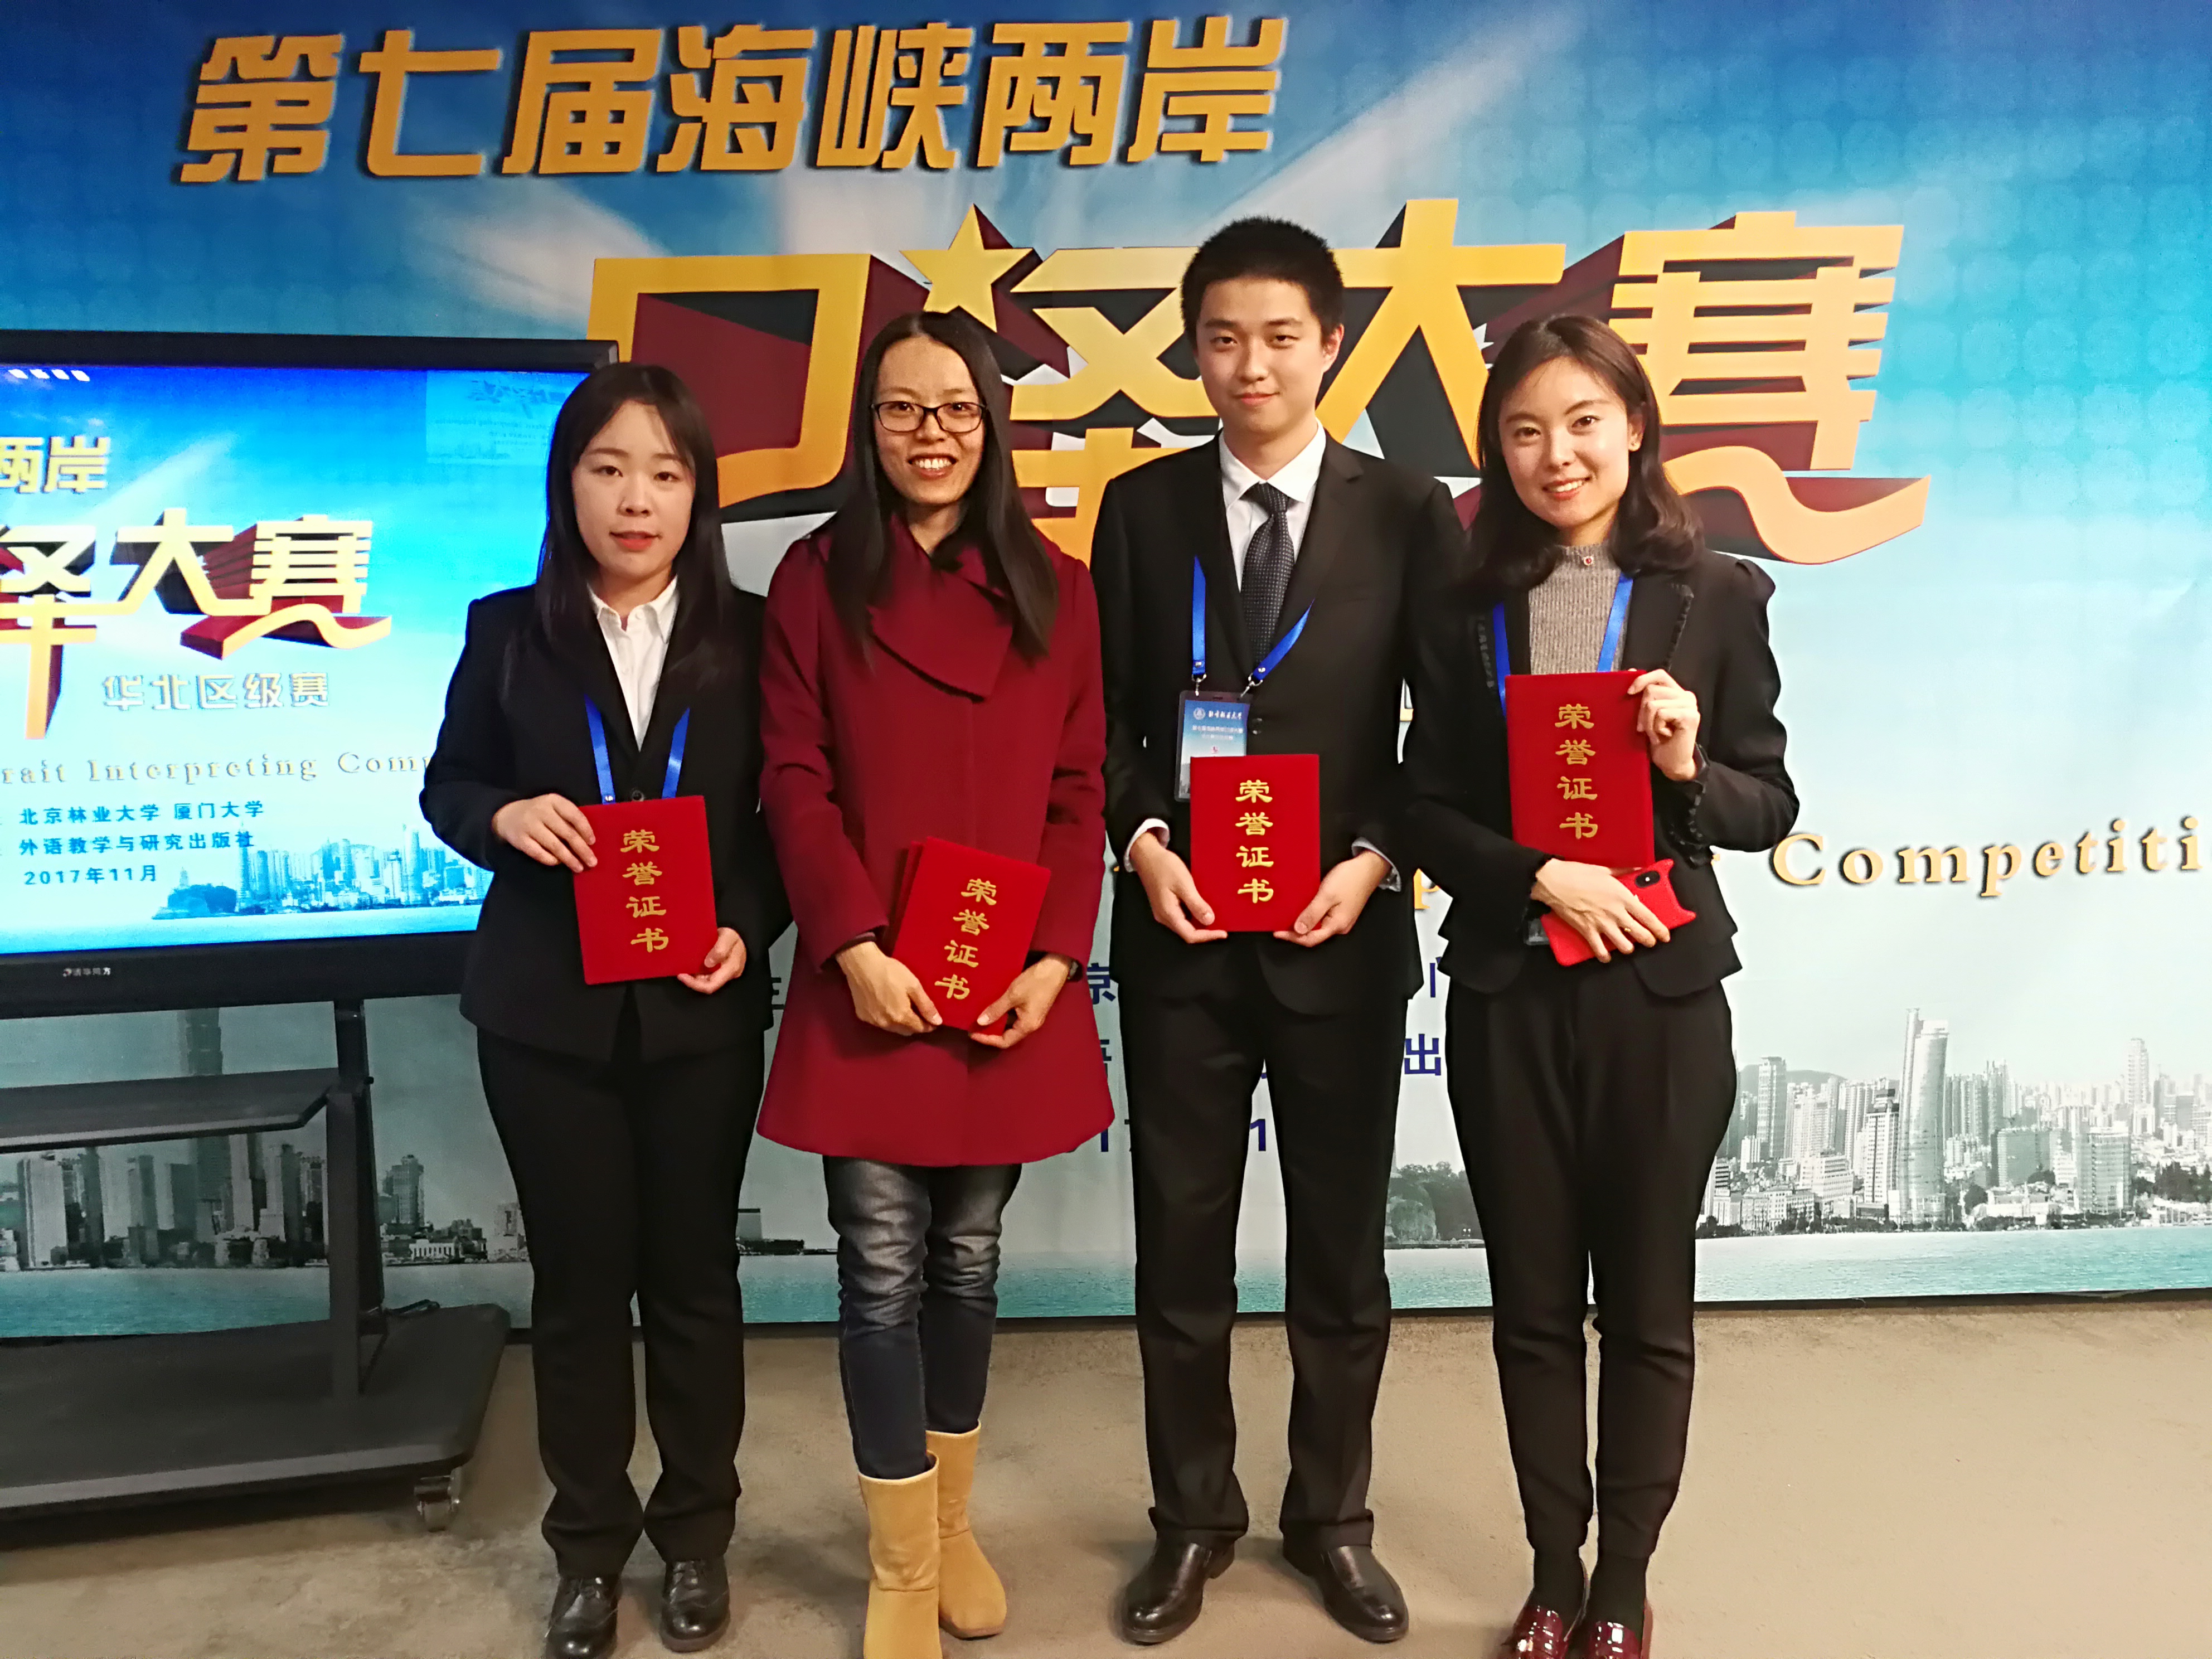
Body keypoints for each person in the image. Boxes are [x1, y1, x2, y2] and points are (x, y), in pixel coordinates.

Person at [1404, 314, 1796, 1659]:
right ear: (1496, 453)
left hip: (1659, 997)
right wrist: (1539, 877)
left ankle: (1622, 1582)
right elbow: (1419, 805)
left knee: (1644, 1303)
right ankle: (1550, 1571)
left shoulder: (1719, 596)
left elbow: (1768, 807)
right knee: (1528, 1306)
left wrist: (1687, 766)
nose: (1554, 454)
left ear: (1633, 426)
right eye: (1522, 432)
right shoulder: (1460, 606)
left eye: (1581, 422)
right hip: (1510, 990)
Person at [1092, 217, 1458, 1647]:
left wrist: (1375, 860)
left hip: (1337, 936)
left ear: (1330, 346)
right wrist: (1141, 841)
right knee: (1178, 1250)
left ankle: (1332, 1520)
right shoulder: (1141, 509)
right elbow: (1106, 722)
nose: (1251, 365)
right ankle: (1190, 1521)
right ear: (1194, 350)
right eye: (1224, 338)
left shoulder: (1408, 510)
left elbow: (1446, 734)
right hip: (1182, 932)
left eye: (1281, 337)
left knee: (1340, 1258)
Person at [755, 310, 1112, 1659]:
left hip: (1002, 972)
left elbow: (1078, 788)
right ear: (869, 427)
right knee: (880, 1266)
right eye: (902, 409)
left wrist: (1056, 954)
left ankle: (951, 1525)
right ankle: (899, 1566)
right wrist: (851, 942)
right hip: (872, 972)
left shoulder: (1057, 588)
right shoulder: (813, 578)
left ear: (991, 423)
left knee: (969, 1257)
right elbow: (793, 776)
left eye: (956, 408)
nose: (930, 434)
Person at [421, 363, 784, 1659]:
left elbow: (786, 818)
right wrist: (503, 816)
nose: (636, 500)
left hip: (696, 1015)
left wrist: (747, 924)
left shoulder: (754, 638)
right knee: (576, 1291)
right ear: (566, 483)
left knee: (694, 1282)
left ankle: (696, 1539)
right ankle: (586, 1550)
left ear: (699, 494)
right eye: (609, 469)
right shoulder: (504, 630)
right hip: (546, 1018)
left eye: (665, 474)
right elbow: (448, 785)